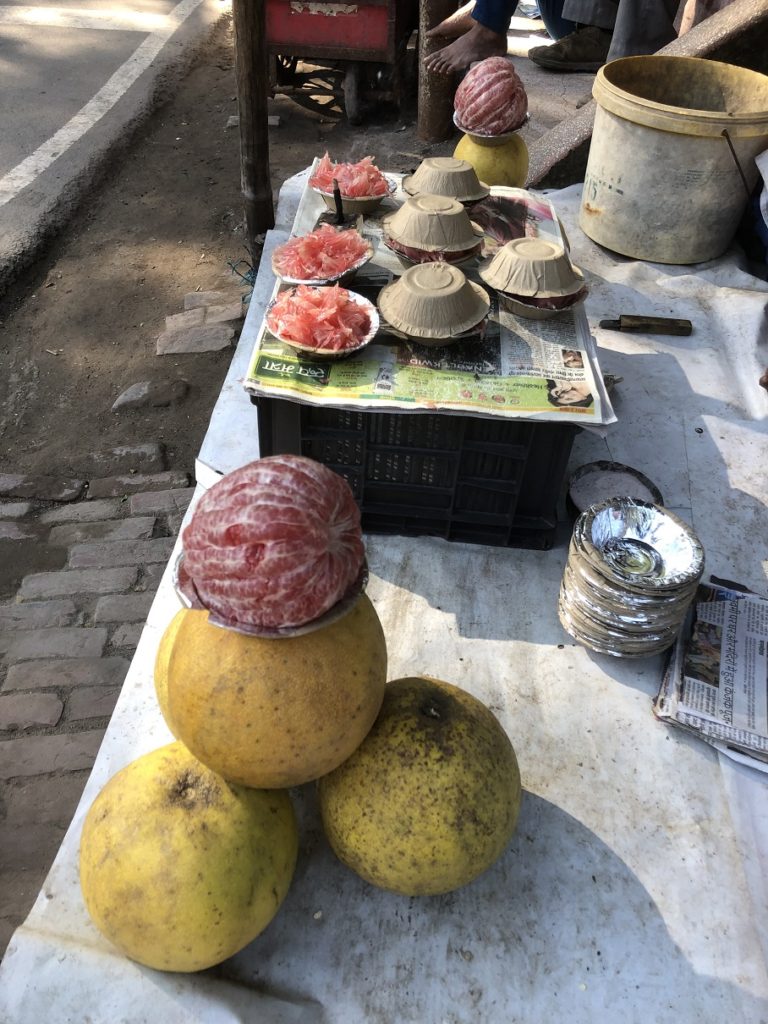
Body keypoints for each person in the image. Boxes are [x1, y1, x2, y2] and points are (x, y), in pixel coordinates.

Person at [425, 0, 679, 75]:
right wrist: (486, 11)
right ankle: (488, 26)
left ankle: (621, 59)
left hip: (626, 31)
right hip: (571, 15)